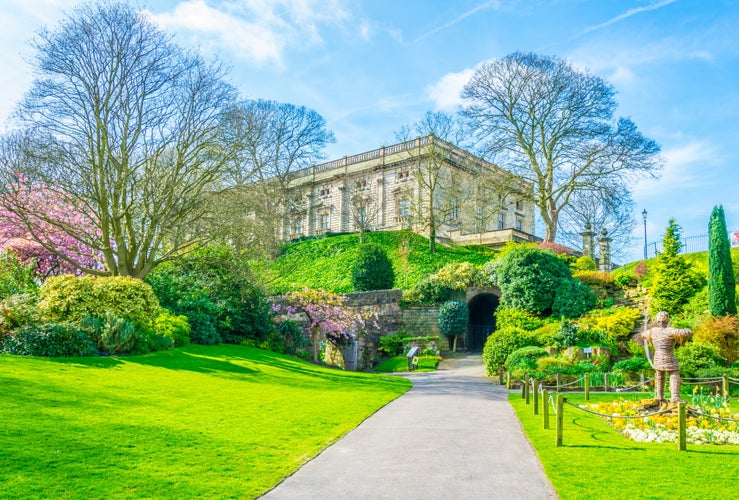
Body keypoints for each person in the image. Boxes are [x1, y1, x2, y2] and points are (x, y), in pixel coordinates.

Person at [642, 311, 692, 404]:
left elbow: (643, 334)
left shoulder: (652, 331)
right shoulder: (671, 331)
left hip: (657, 356)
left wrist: (648, 336)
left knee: (660, 375)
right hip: (668, 356)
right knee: (674, 374)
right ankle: (675, 397)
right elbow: (687, 332)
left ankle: (659, 396)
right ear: (667, 320)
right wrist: (688, 330)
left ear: (657, 320)